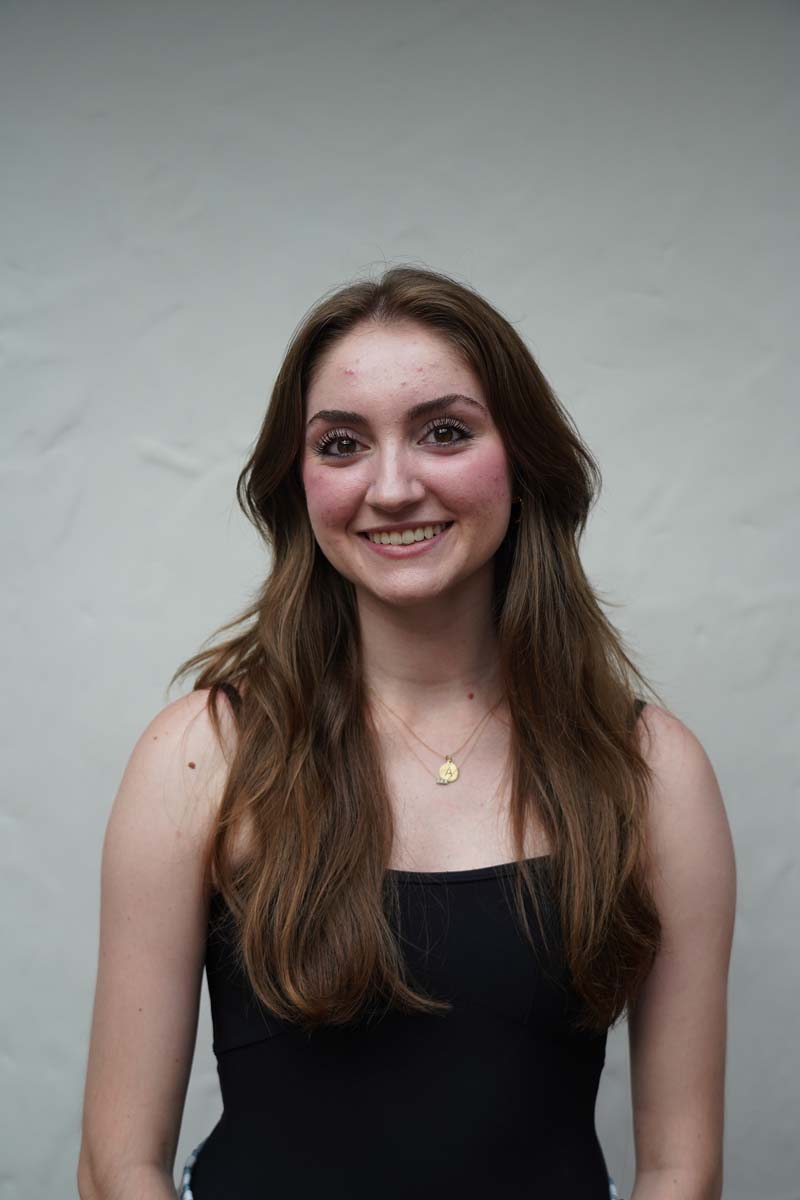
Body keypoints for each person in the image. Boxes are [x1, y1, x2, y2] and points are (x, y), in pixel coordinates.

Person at [77, 266, 736, 1200]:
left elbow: (682, 1171)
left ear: (523, 460)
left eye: (445, 433)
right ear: (299, 482)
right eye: (342, 444)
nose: (393, 486)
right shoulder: (202, 756)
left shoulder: (651, 770)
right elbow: (116, 1169)